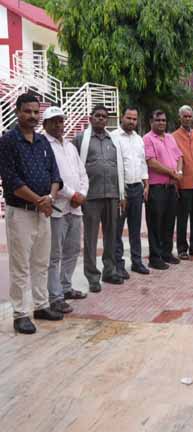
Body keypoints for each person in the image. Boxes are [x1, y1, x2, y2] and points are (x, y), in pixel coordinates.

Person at [0, 93, 64, 333]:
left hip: (43, 211)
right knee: (20, 267)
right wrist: (39, 200)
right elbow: (11, 180)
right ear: (17, 112)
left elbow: (55, 174)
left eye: (36, 112)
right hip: (21, 212)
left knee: (41, 262)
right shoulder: (8, 141)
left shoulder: (42, 141)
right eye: (27, 111)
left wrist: (50, 198)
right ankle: (20, 314)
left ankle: (41, 305)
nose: (32, 116)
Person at [73, 105, 126, 292]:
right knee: (91, 238)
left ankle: (109, 271)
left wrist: (122, 194)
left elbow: (119, 167)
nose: (101, 119)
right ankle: (92, 276)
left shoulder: (114, 140)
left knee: (111, 235)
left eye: (104, 116)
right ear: (90, 118)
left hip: (112, 194)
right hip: (91, 197)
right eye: (98, 116)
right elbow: (73, 166)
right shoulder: (81, 139)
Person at [44, 106, 88, 315]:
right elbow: (51, 177)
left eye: (61, 120)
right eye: (54, 121)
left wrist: (83, 193)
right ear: (45, 124)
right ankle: (55, 297)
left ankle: (66, 286)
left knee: (73, 250)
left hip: (75, 208)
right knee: (54, 255)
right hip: (57, 209)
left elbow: (82, 173)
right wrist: (73, 195)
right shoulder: (43, 145)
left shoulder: (70, 146)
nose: (58, 124)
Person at [111, 107, 150, 277]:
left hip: (137, 188)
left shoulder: (138, 139)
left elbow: (142, 163)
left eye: (134, 119)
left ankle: (137, 261)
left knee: (135, 229)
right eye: (129, 118)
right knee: (117, 230)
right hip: (121, 190)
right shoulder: (113, 137)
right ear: (122, 117)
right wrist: (120, 192)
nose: (132, 122)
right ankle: (118, 264)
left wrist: (146, 184)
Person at [144, 110, 183, 269]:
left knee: (169, 222)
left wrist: (179, 172)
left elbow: (179, 157)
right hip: (156, 188)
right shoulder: (147, 139)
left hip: (171, 187)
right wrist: (171, 173)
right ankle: (155, 257)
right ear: (151, 122)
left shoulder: (170, 137)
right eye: (158, 120)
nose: (161, 123)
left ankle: (167, 253)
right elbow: (151, 162)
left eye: (164, 120)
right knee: (155, 223)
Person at [172, 105, 193, 259]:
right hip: (183, 182)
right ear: (180, 118)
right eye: (185, 116)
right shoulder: (173, 136)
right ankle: (182, 248)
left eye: (190, 116)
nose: (188, 119)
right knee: (183, 218)